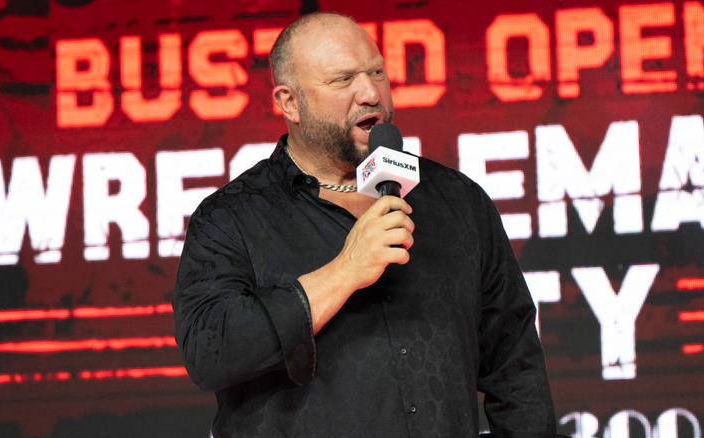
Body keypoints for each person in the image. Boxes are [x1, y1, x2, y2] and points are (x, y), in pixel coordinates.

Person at [173, 11, 556, 438]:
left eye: (377, 72)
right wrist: (344, 271)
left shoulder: (456, 201)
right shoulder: (230, 218)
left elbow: (515, 363)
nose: (371, 93)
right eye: (342, 80)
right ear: (289, 102)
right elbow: (209, 352)